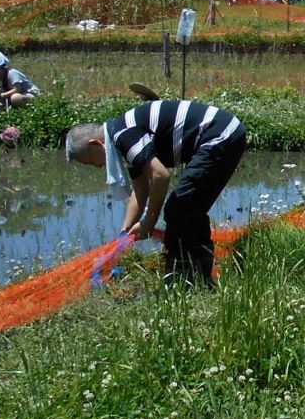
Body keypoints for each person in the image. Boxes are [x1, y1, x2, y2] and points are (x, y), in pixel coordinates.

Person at [64, 99, 249, 287]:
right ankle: (196, 278)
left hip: (221, 135)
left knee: (179, 209)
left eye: (90, 161)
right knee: (189, 208)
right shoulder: (121, 138)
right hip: (224, 133)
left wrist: (149, 222)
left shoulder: (123, 135)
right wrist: (123, 236)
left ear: (96, 144)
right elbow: (140, 190)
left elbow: (160, 175)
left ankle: (185, 280)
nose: (97, 166)